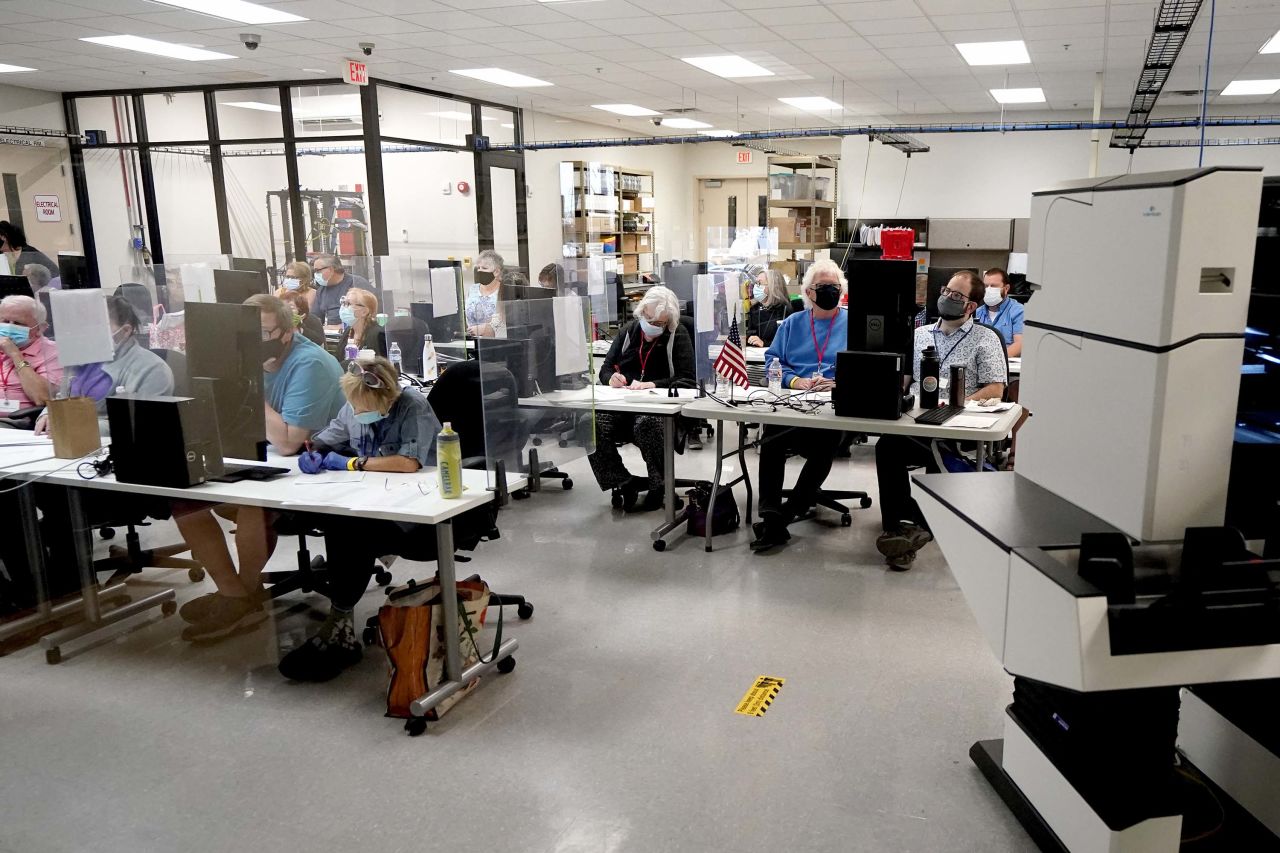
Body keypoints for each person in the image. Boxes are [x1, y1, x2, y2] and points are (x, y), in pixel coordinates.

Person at [280, 356, 490, 681]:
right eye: (352, 405)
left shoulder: (412, 406)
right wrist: (316, 451)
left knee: (351, 528)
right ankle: (341, 622)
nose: (356, 412)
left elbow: (409, 463)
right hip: (380, 500)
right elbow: (329, 435)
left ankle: (339, 628)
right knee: (342, 521)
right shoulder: (355, 405)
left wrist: (350, 464)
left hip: (425, 515)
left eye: (363, 406)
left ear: (387, 397)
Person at [173, 294, 345, 641]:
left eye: (263, 333)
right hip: (263, 459)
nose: (253, 343)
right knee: (184, 499)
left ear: (285, 333)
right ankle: (233, 591)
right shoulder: (241, 358)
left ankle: (242, 595)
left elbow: (288, 442)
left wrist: (249, 387)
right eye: (245, 336)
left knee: (253, 500)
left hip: (322, 468)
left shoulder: (308, 364)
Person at [874, 270, 1008, 570]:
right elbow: (905, 380)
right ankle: (899, 526)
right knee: (887, 447)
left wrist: (957, 403)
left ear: (971, 306)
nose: (947, 298)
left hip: (958, 427)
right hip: (918, 422)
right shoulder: (920, 334)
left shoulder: (985, 339)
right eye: (946, 291)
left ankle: (912, 527)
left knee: (938, 457)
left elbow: (996, 388)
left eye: (957, 296)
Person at [749, 259, 849, 552]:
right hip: (794, 402)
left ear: (842, 291)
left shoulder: (854, 324)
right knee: (770, 440)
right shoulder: (792, 323)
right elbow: (773, 362)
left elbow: (864, 365)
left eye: (834, 287)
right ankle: (769, 512)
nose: (829, 291)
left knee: (825, 447)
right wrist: (795, 382)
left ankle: (784, 516)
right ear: (808, 291)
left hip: (831, 405)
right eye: (822, 287)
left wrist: (837, 382)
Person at [589, 286, 695, 512]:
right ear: (641, 312)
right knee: (589, 424)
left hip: (660, 410)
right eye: (648, 318)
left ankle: (660, 486)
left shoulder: (678, 334)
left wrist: (653, 384)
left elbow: (687, 379)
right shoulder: (629, 331)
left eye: (659, 323)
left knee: (646, 424)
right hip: (624, 404)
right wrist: (612, 378)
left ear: (669, 321)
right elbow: (606, 368)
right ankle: (623, 481)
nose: (652, 326)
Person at [34, 295, 172, 436]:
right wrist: (49, 415)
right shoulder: (79, 359)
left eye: (97, 326)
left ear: (125, 331)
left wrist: (76, 426)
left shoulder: (153, 369)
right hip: (69, 442)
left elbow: (140, 424)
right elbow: (61, 398)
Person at [0, 294, 62, 423]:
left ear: (40, 328)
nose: (9, 327)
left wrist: (15, 355)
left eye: (18, 323)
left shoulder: (52, 352)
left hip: (17, 423)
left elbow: (43, 397)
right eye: (5, 322)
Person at [976, 267, 1024, 357]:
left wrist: (996, 360)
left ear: (1006, 288)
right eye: (986, 286)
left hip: (1007, 365)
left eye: (994, 286)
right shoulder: (977, 313)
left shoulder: (1018, 311)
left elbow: (1020, 345)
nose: (989, 290)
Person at [310, 255, 367, 325]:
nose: (315, 274)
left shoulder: (356, 283)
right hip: (329, 333)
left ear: (331, 269)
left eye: (317, 271)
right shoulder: (321, 290)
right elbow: (316, 317)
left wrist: (342, 327)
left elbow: (368, 313)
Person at [745, 269, 793, 347]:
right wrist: (749, 339)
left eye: (759, 283)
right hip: (754, 356)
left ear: (773, 286)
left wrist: (764, 343)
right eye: (756, 283)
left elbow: (790, 342)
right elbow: (750, 333)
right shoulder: (755, 309)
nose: (756, 287)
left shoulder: (786, 310)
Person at [465, 249, 505, 337]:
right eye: (478, 267)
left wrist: (484, 329)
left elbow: (505, 320)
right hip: (472, 339)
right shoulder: (472, 289)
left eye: (484, 268)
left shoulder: (504, 290)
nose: (480, 271)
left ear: (497, 272)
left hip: (496, 340)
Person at [339, 287, 386, 358]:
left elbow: (381, 364)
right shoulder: (348, 331)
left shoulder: (378, 334)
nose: (343, 307)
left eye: (348, 304)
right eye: (343, 303)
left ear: (364, 312)